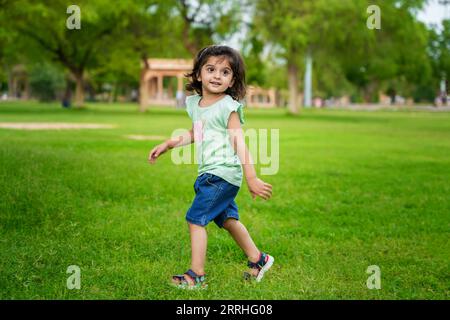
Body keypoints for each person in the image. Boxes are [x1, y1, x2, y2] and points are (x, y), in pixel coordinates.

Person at [148, 45, 274, 289]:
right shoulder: (196, 104)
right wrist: (169, 144)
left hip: (222, 174)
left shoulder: (228, 106)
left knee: (196, 219)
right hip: (210, 173)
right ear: (198, 74)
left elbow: (240, 143)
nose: (217, 75)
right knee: (227, 219)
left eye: (225, 72)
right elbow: (195, 132)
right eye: (211, 69)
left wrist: (252, 177)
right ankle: (259, 259)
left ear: (232, 80)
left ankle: (196, 275)